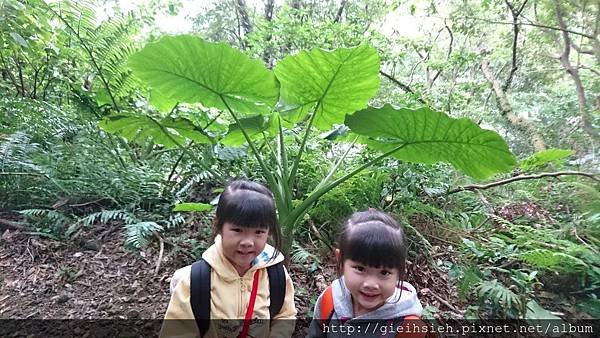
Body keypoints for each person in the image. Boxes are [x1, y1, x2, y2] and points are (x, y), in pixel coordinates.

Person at [161, 180, 297, 338]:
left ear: (269, 232)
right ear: (218, 226)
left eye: (259, 232)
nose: (248, 242)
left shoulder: (276, 274)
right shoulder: (195, 281)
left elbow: (284, 316)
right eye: (237, 230)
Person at [306, 209, 429, 338]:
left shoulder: (408, 329)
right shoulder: (330, 300)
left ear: (400, 270)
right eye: (360, 269)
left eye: (384, 272)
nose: (371, 284)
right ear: (340, 260)